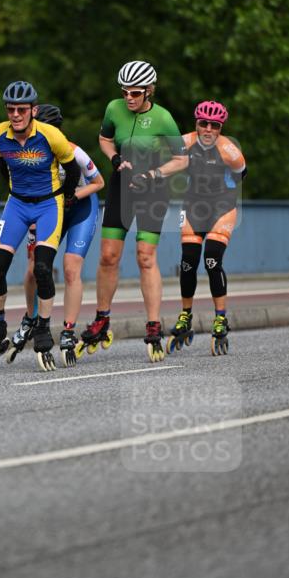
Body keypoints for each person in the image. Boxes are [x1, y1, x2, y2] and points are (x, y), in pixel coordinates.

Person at [0, 81, 81, 372]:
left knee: (41, 268)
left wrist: (64, 199)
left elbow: (74, 169)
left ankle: (42, 327)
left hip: (48, 205)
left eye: (21, 109)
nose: (15, 115)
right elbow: (1, 166)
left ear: (33, 110)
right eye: (10, 109)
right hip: (17, 204)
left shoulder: (51, 135)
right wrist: (16, 192)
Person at [79, 60, 189, 362]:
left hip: (153, 190)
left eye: (136, 93)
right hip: (121, 187)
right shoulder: (114, 109)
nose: (129, 97)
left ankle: (153, 325)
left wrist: (154, 174)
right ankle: (102, 319)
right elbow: (104, 139)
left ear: (149, 91)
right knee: (108, 256)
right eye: (125, 91)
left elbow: (182, 160)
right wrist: (114, 158)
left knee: (144, 256)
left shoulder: (163, 118)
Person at [9, 103, 105, 366]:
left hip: (79, 210)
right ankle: (31, 318)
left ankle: (68, 331)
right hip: (46, 211)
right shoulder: (29, 155)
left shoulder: (74, 152)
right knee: (33, 268)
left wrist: (72, 196)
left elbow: (99, 183)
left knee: (71, 267)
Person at [167, 100, 247, 356]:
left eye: (215, 125)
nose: (208, 129)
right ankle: (185, 316)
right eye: (204, 123)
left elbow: (240, 174)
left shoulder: (229, 150)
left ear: (221, 127)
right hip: (192, 206)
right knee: (188, 262)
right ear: (196, 124)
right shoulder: (184, 142)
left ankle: (221, 317)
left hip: (222, 207)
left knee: (212, 259)